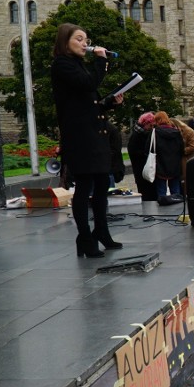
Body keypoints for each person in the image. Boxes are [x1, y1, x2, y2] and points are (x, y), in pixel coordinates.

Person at [51, 23, 123, 257]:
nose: (85, 44)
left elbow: (90, 103)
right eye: (79, 39)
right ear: (65, 41)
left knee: (102, 184)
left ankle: (101, 231)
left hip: (94, 135)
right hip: (81, 138)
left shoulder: (78, 65)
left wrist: (110, 102)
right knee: (84, 187)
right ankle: (84, 237)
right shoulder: (62, 65)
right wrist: (101, 61)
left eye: (86, 40)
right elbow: (88, 85)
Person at [151, 111, 185, 198]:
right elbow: (182, 149)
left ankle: (162, 209)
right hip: (175, 165)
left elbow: (149, 148)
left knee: (161, 190)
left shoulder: (155, 132)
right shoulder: (177, 133)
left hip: (159, 165)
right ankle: (177, 209)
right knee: (175, 191)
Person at [128, 112, 158, 202]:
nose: (151, 128)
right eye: (150, 125)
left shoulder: (145, 134)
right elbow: (134, 152)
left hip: (147, 168)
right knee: (146, 193)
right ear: (145, 123)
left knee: (151, 191)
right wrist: (147, 154)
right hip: (141, 168)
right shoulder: (136, 135)